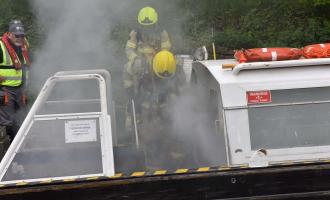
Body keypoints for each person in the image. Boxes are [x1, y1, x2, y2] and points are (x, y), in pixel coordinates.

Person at [123, 7, 185, 169]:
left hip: (161, 64)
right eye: (145, 26)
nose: (147, 29)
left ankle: (178, 163)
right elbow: (129, 51)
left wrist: (161, 57)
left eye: (150, 26)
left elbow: (167, 48)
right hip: (143, 78)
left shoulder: (171, 65)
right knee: (146, 126)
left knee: (171, 124)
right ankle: (148, 162)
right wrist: (137, 61)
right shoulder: (135, 35)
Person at [0, 20, 31, 141]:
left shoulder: (23, 46)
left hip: (20, 90)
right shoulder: (1, 46)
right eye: (17, 35)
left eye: (22, 35)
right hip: (5, 90)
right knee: (8, 123)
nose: (20, 38)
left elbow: (26, 66)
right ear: (9, 34)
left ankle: (21, 147)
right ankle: (9, 152)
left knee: (22, 120)